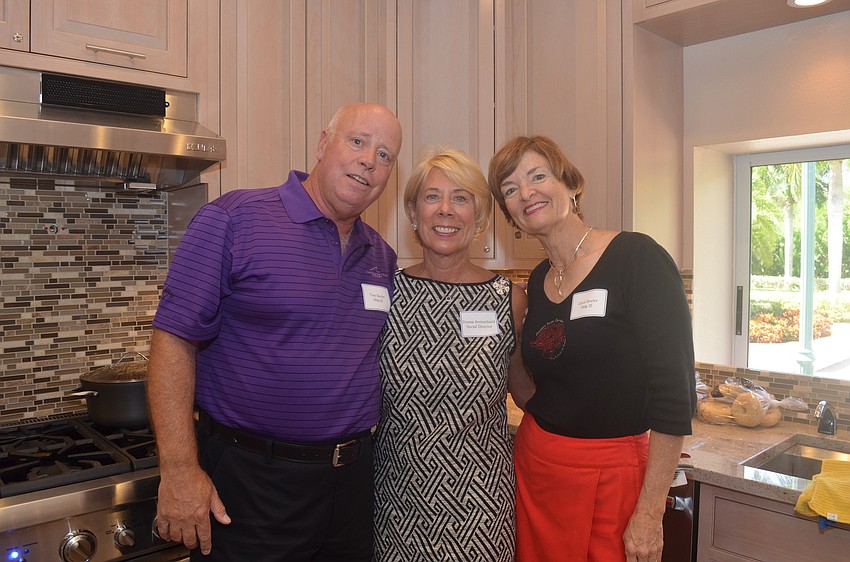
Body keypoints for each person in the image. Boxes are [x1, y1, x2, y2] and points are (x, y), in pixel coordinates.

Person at [146, 102, 403, 561]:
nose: (369, 160)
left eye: (385, 155)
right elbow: (172, 339)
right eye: (358, 141)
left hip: (354, 486)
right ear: (324, 143)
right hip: (253, 483)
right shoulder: (234, 219)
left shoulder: (381, 256)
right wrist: (180, 468)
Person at [487, 136, 696, 562]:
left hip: (614, 474)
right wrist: (508, 347)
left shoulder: (637, 258)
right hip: (537, 469)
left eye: (537, 176)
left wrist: (650, 511)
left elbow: (676, 396)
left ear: (570, 184)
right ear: (508, 212)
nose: (525, 193)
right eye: (510, 189)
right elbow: (536, 397)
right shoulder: (539, 283)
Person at [373, 148, 534, 561]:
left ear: (478, 217)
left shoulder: (510, 300)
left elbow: (529, 395)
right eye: (432, 197)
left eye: (461, 198)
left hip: (480, 509)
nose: (445, 210)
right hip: (394, 506)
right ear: (413, 212)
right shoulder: (383, 295)